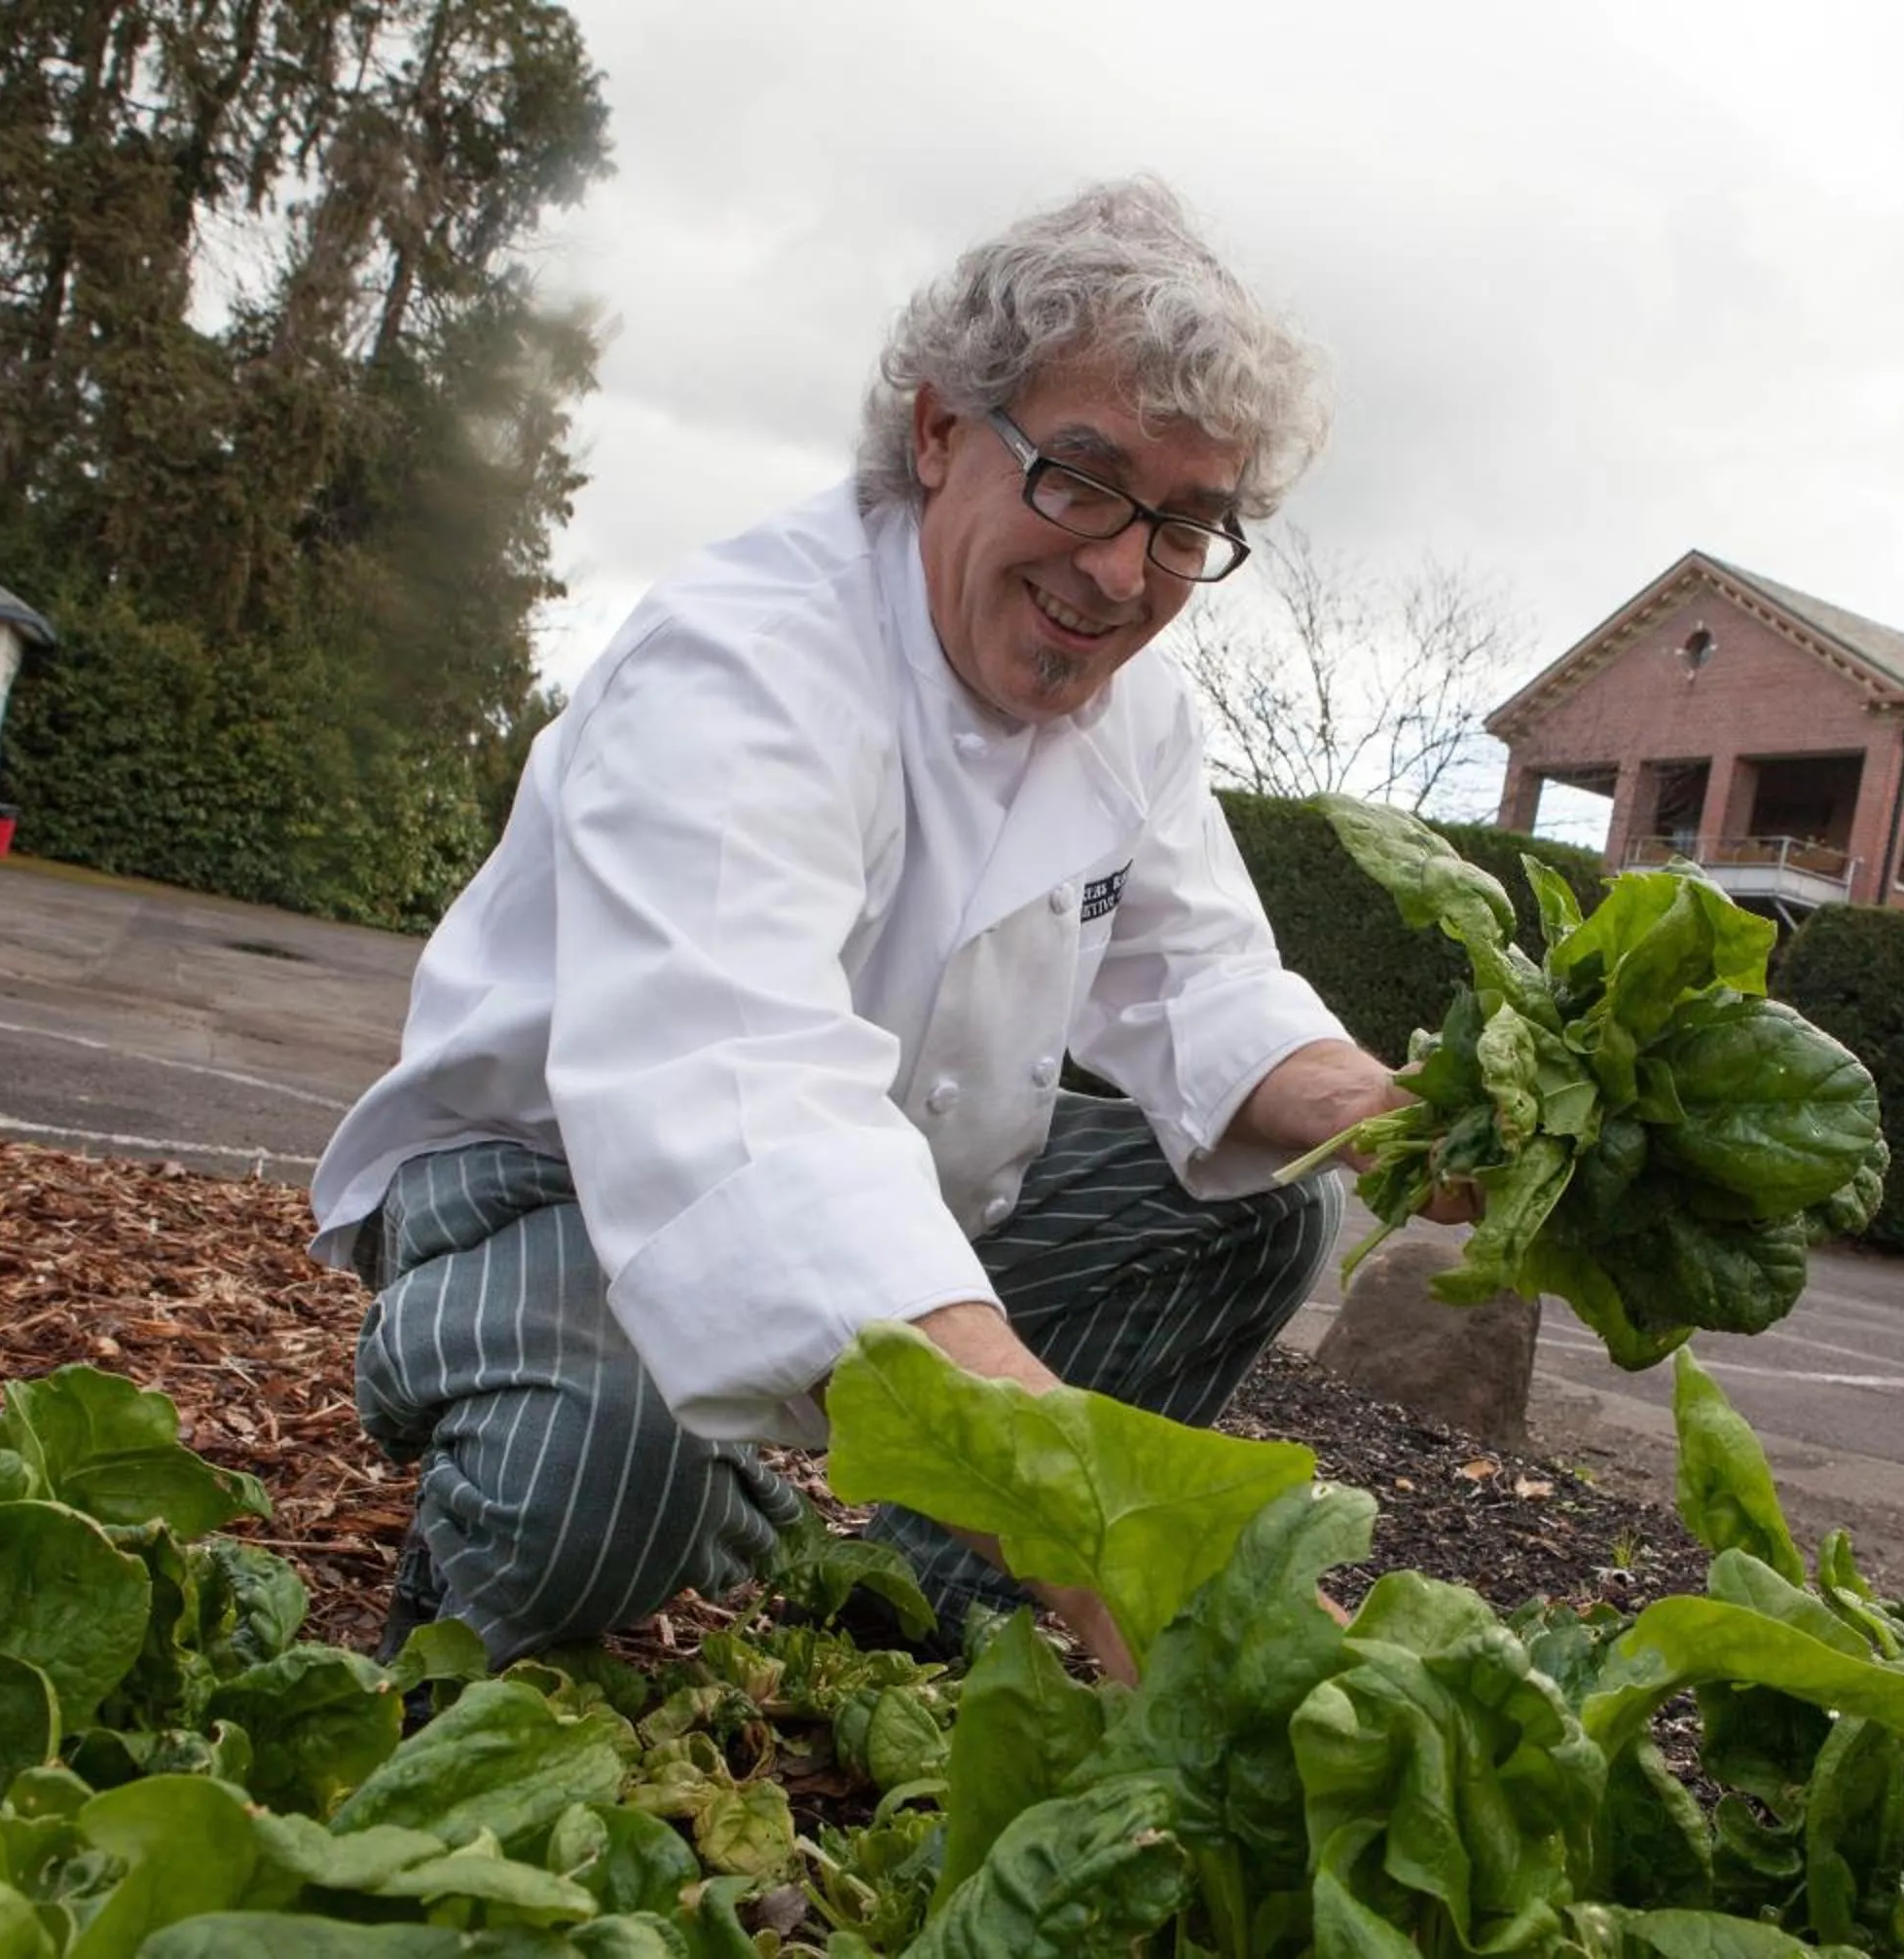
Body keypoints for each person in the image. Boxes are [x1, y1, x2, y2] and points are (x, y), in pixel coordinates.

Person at [309, 176, 1430, 1680]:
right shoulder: (750, 665)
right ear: (937, 433)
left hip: (897, 1177)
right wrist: (1107, 1527)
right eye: (1079, 479)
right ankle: (454, 1678)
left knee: (1262, 1200)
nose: (1117, 571)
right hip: (541, 1177)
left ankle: (921, 1615)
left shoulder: (1132, 708)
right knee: (606, 1470)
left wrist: (1397, 1121)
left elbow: (1203, 979)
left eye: (1183, 525)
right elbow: (746, 1109)